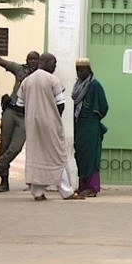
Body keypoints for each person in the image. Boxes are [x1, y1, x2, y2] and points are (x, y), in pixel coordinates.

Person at [0, 38, 40, 192]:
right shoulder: (19, 69)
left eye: (35, 59)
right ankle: (4, 181)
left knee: (15, 148)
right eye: (30, 58)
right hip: (11, 111)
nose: (33, 61)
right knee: (4, 146)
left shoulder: (42, 75)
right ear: (26, 60)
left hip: (25, 117)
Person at [17, 52, 84, 201]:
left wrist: (31, 116)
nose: (55, 67)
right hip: (50, 124)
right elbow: (60, 103)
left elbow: (20, 105)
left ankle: (37, 192)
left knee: (37, 155)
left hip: (32, 125)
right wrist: (53, 118)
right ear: (46, 62)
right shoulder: (52, 80)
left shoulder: (26, 81)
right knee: (57, 156)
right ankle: (67, 192)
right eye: (54, 63)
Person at [72, 58, 109, 197]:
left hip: (91, 125)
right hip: (79, 124)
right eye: (77, 70)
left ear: (88, 70)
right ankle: (83, 186)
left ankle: (93, 187)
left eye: (81, 70)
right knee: (81, 155)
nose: (79, 73)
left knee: (91, 156)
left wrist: (93, 117)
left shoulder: (94, 85)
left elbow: (103, 106)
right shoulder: (78, 85)